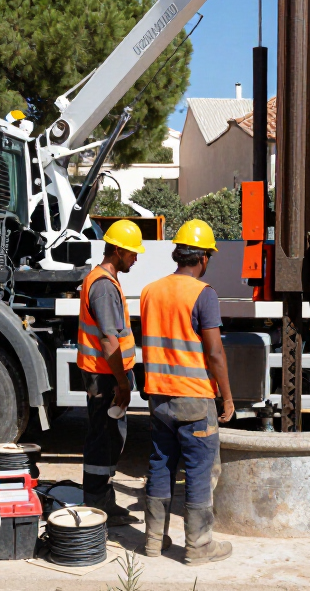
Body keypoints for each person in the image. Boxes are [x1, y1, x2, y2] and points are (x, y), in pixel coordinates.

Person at [138, 219, 235, 565]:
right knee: (199, 470)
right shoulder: (203, 293)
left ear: (177, 254)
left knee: (161, 464)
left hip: (158, 398)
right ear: (204, 258)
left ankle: (153, 540)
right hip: (193, 398)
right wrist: (227, 397)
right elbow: (215, 352)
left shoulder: (150, 291)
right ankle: (198, 546)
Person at [77, 219, 144, 525]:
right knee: (103, 438)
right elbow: (108, 339)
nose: (135, 257)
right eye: (131, 252)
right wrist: (122, 382)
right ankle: (97, 504)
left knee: (108, 437)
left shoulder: (104, 281)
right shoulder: (103, 286)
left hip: (105, 373)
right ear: (117, 250)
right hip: (105, 375)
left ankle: (102, 499)